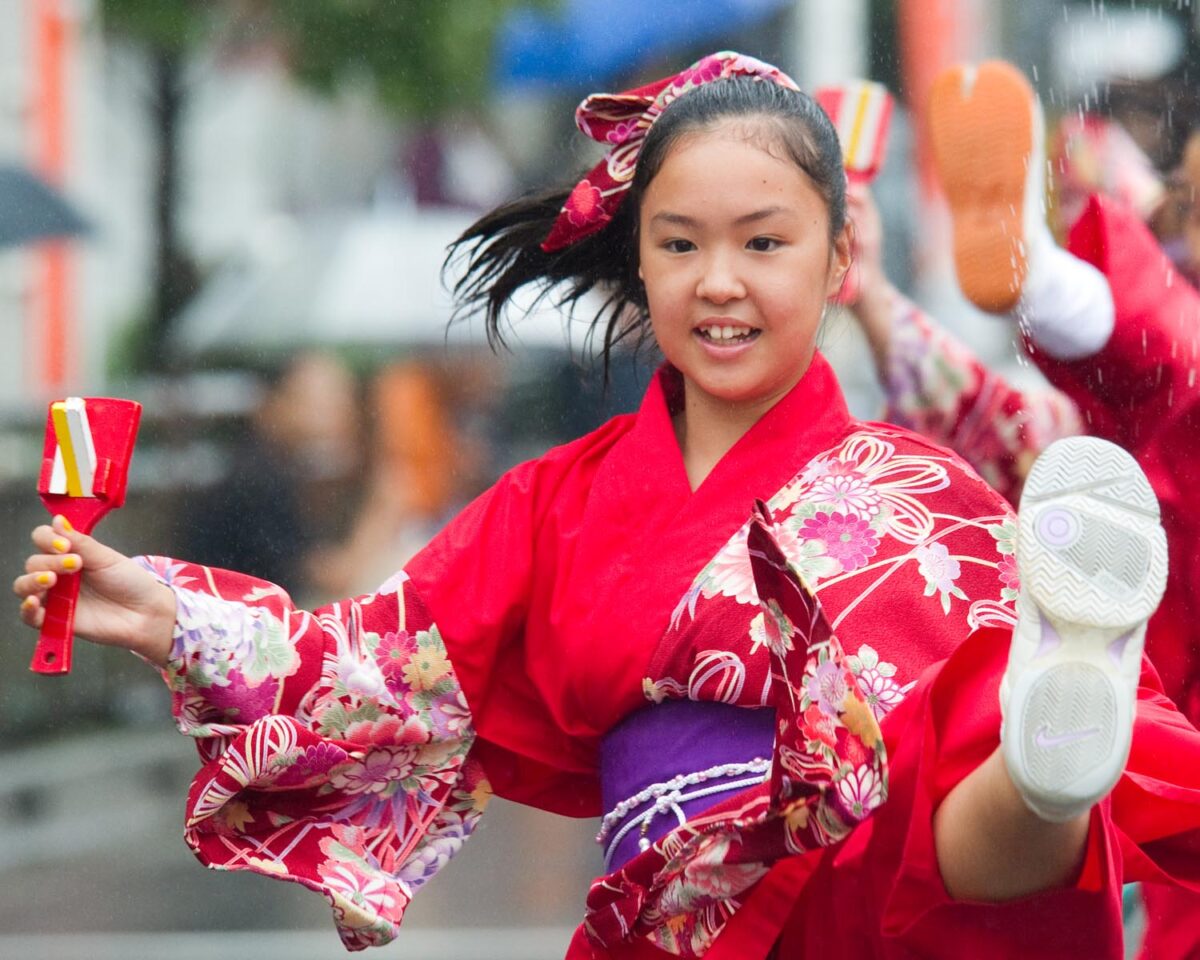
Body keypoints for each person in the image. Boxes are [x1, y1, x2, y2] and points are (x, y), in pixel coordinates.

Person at [12, 52, 1200, 958]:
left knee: (956, 771)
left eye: (763, 243)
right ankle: (1049, 742)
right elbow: (378, 660)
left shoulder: (921, 492)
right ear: (641, 261)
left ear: (840, 262)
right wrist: (160, 607)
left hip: (859, 892)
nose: (718, 281)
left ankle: (1053, 737)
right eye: (680, 244)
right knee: (952, 771)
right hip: (660, 914)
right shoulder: (553, 502)